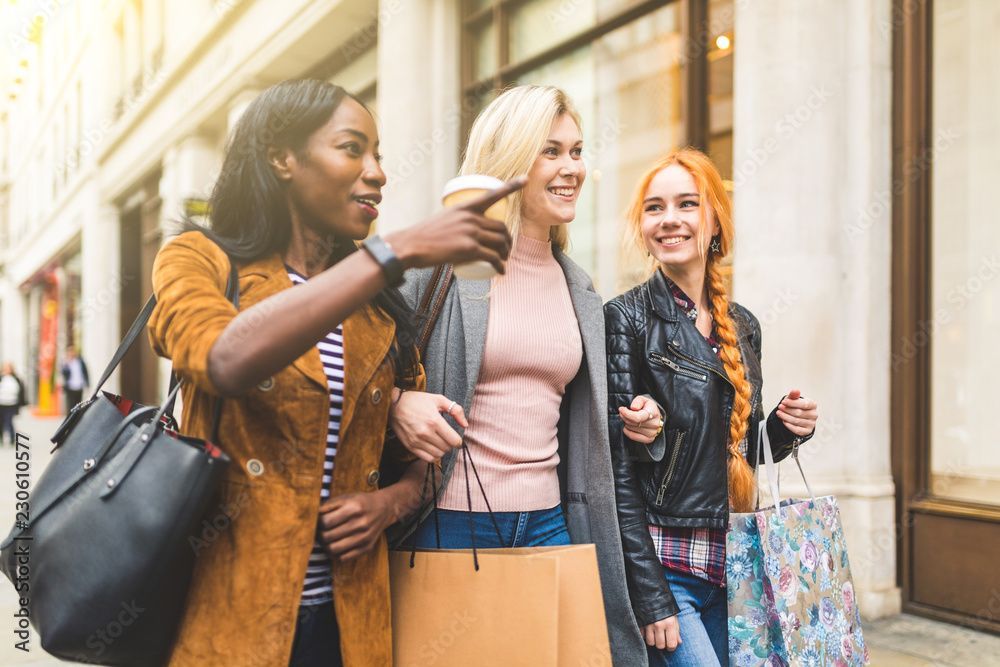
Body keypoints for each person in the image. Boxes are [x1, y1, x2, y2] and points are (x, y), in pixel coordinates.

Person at [147, 79, 519, 667]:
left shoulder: (376, 305)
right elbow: (224, 359)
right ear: (282, 158)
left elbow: (421, 468)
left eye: (379, 155)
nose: (377, 173)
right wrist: (391, 253)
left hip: (350, 623)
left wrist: (389, 504)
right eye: (352, 149)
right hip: (231, 614)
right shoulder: (202, 259)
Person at [393, 85, 658, 665]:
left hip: (550, 522)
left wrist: (637, 419)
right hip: (450, 521)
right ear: (509, 160)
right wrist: (394, 403)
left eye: (578, 151)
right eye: (551, 152)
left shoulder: (579, 286)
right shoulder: (442, 265)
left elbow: (570, 411)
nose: (573, 169)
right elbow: (348, 366)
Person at [605, 148, 819, 666]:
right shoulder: (625, 319)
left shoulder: (742, 324)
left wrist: (787, 430)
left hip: (737, 563)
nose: (670, 219)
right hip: (667, 569)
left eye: (687, 203)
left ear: (714, 220)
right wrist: (651, 596)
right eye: (655, 208)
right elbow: (616, 475)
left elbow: (744, 448)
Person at [0, 362, 27, 446]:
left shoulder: (15, 378)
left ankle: (12, 438)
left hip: (12, 403)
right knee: (1, 422)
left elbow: (20, 391)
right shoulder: (1, 378)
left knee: (9, 421)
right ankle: (1, 439)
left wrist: (22, 403)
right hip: (1, 403)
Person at [60, 345, 89, 412]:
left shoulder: (80, 361)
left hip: (79, 386)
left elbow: (85, 371)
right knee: (70, 405)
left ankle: (77, 419)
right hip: (70, 387)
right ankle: (70, 418)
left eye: (72, 351)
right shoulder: (66, 362)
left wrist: (87, 383)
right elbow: (64, 373)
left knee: (79, 404)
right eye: (70, 351)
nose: (71, 353)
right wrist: (66, 364)